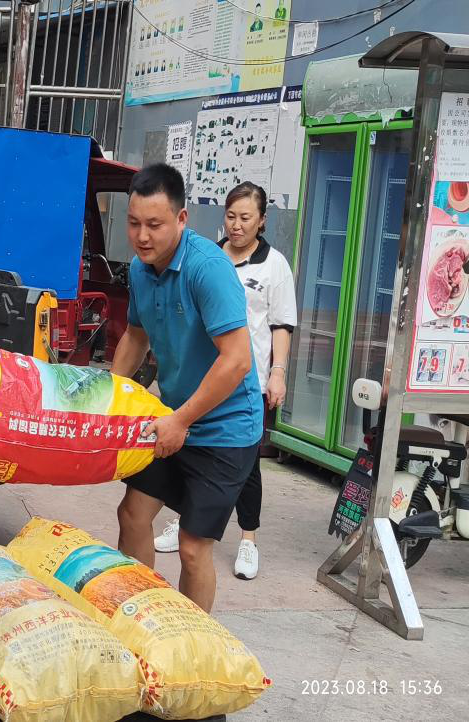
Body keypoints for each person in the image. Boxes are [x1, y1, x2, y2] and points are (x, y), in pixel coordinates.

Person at [110, 163, 261, 614]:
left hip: (225, 428)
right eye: (134, 223)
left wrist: (181, 419)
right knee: (132, 514)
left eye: (154, 224)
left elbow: (237, 360)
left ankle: (191, 644)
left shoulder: (207, 268)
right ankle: (138, 617)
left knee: (194, 547)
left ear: (181, 218)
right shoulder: (141, 269)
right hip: (173, 417)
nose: (142, 236)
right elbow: (135, 336)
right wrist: (109, 397)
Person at [153, 182, 296, 582]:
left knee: (247, 465)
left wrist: (278, 373)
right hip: (204, 380)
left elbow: (281, 324)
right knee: (190, 454)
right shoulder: (209, 258)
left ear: (262, 221)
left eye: (246, 218)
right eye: (231, 216)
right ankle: (186, 520)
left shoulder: (274, 266)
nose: (237, 225)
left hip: (250, 381)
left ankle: (248, 538)